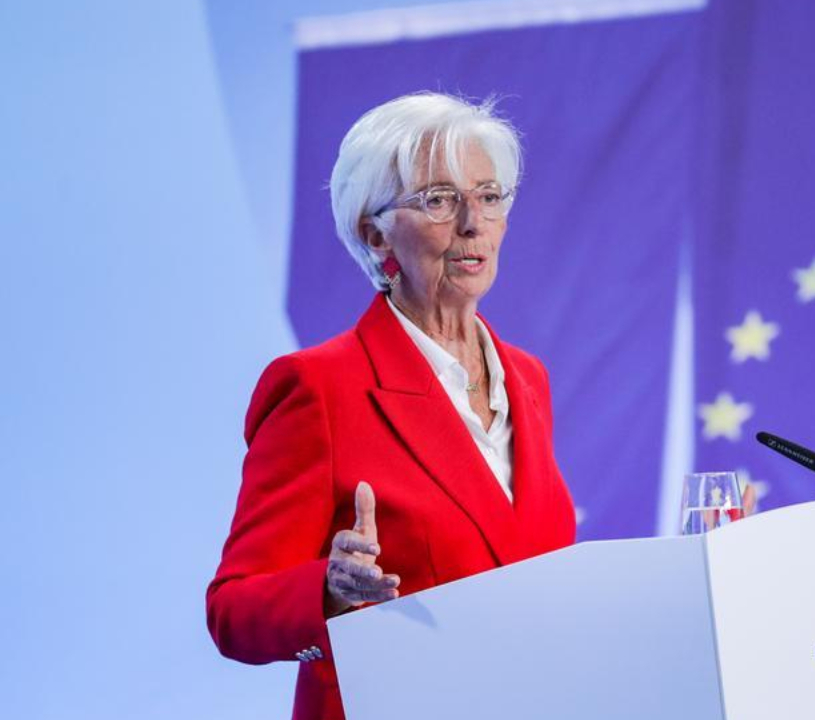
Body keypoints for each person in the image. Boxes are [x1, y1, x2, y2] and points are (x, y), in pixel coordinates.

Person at [206, 93, 577, 720]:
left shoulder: (526, 378)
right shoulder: (318, 387)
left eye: (488, 196)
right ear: (374, 232)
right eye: (438, 199)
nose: (472, 223)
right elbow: (232, 611)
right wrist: (326, 589)